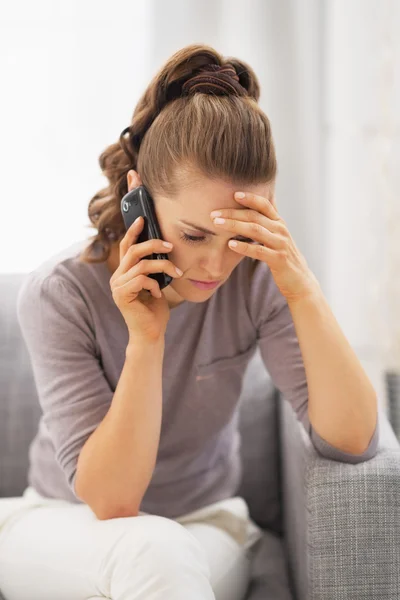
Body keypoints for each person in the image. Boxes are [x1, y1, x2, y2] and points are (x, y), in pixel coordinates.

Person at [0, 43, 379, 600]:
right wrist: (146, 339)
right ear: (140, 202)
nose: (217, 265)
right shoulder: (60, 293)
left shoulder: (256, 280)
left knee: (165, 553)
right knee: (155, 550)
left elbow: (354, 442)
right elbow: (112, 502)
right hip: (60, 524)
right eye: (195, 235)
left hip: (202, 527)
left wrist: (301, 288)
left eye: (238, 237)